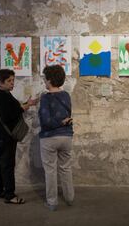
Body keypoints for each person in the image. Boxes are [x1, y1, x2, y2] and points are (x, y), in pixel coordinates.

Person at [0, 69, 37, 204]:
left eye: (13, 80)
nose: (12, 83)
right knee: (7, 164)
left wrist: (26, 105)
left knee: (0, 162)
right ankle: (10, 195)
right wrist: (24, 107)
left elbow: (12, 109)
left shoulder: (3, 94)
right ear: (0, 82)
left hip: (2, 135)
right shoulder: (2, 96)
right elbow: (8, 115)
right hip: (6, 136)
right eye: (9, 81)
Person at [39, 65, 74, 211]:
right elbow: (67, 115)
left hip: (49, 138)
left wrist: (59, 122)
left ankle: (52, 202)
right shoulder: (66, 95)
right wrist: (63, 122)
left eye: (45, 79)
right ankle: (69, 198)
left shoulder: (45, 98)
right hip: (66, 137)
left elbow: (46, 122)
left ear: (50, 80)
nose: (44, 82)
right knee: (66, 168)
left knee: (50, 171)